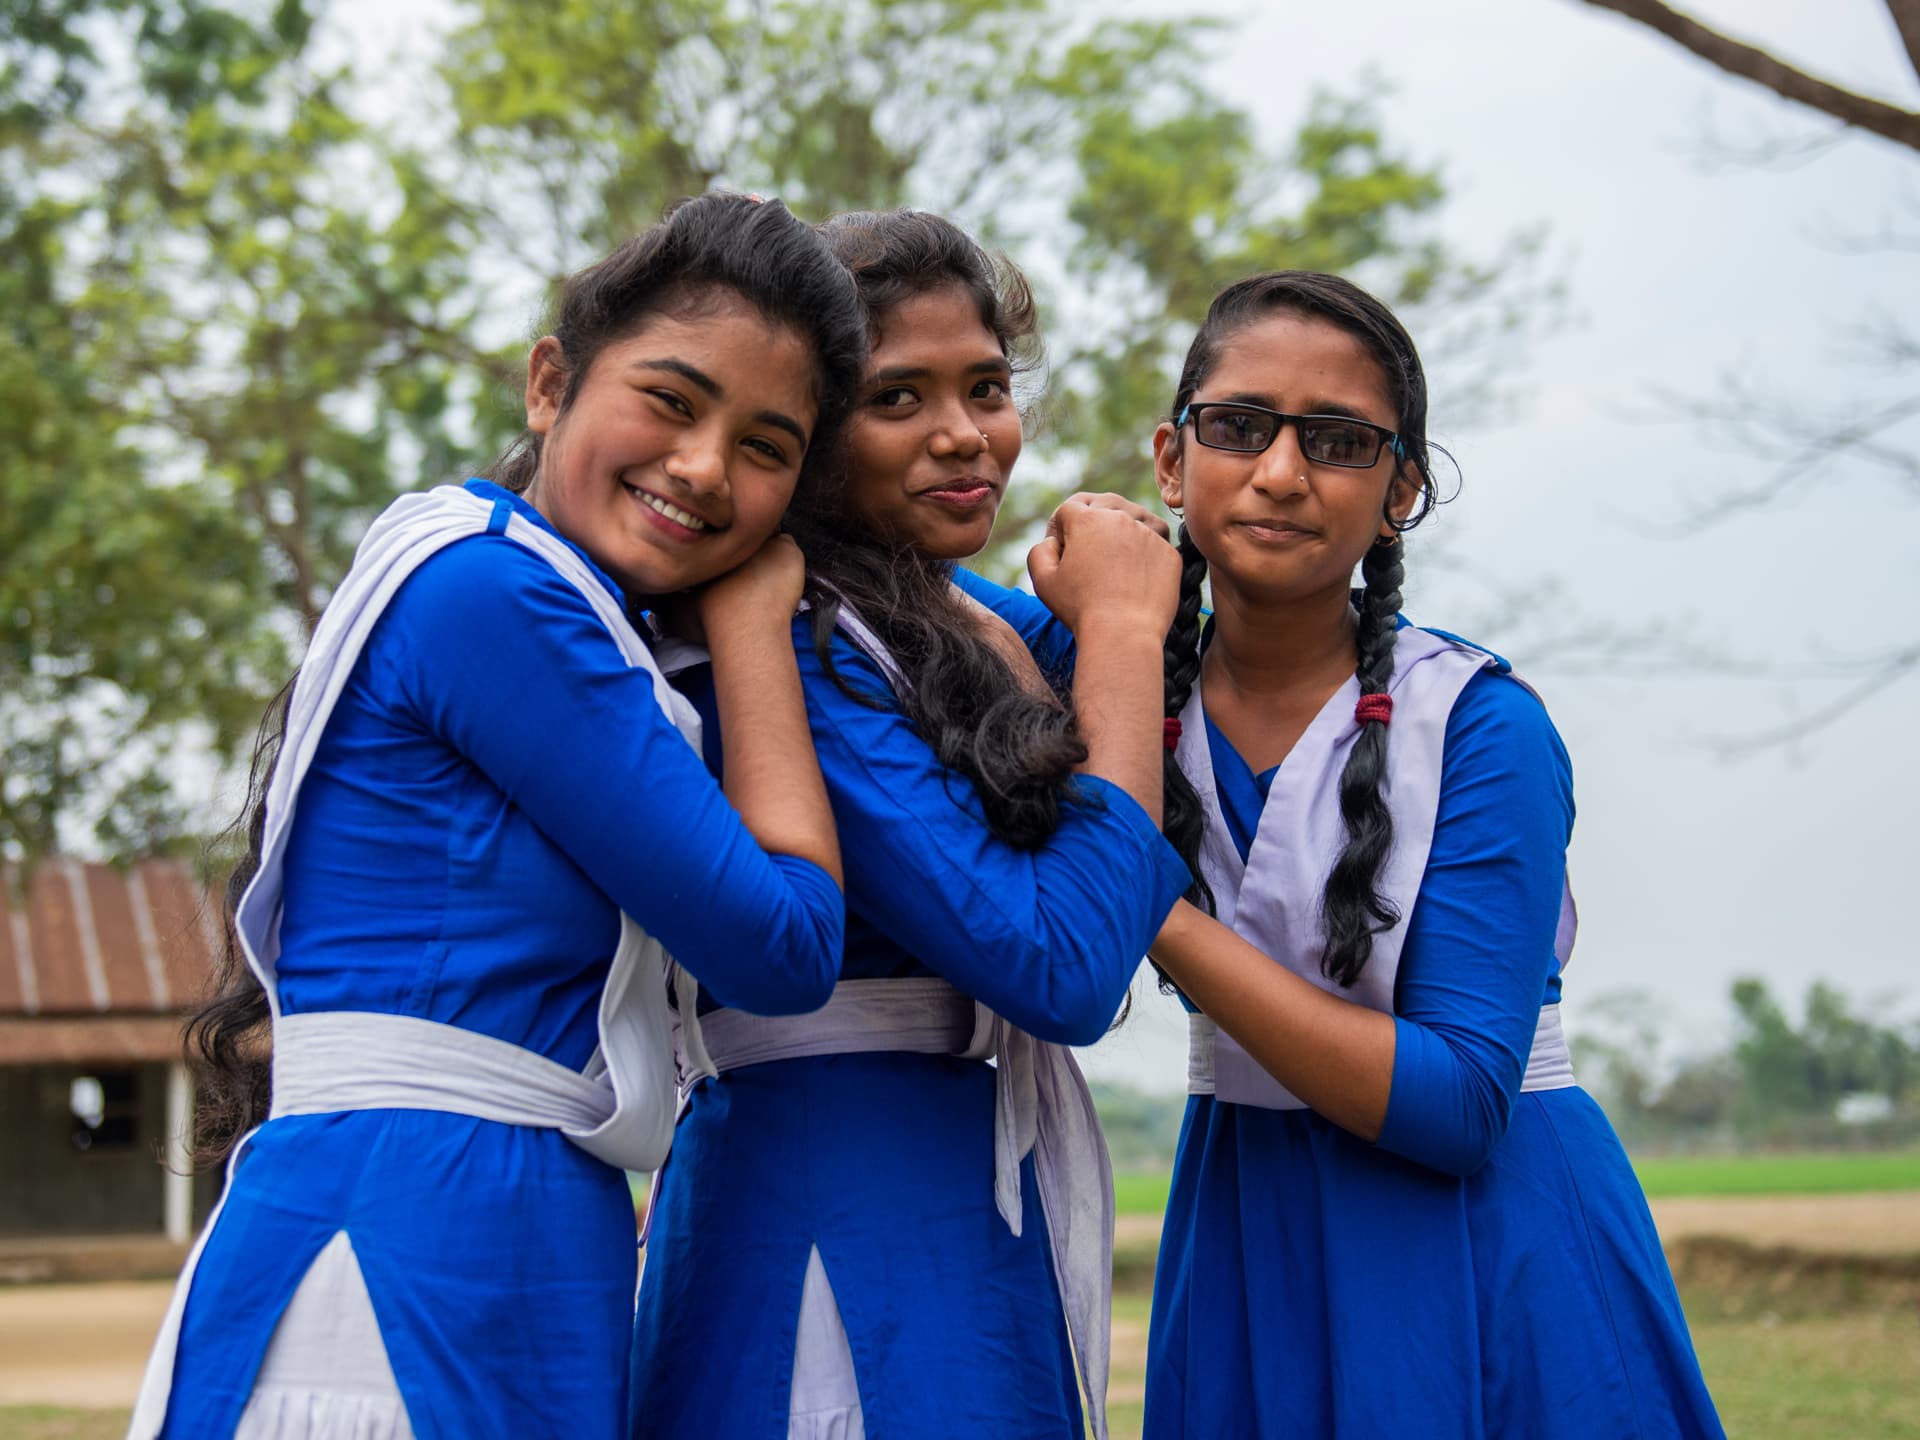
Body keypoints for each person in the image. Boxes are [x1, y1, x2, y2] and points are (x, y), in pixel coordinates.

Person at [129, 193, 867, 1440]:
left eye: (766, 446)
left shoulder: (557, 608)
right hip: (416, 1231)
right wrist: (754, 629)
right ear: (549, 383)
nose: (703, 467)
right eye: (673, 401)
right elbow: (785, 944)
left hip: (511, 1226)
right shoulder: (490, 594)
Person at [628, 210, 1192, 1440]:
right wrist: (1127, 631)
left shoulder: (952, 613)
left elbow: (1166, 724)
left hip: (953, 1176)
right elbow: (1063, 963)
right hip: (836, 1185)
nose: (964, 436)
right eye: (899, 399)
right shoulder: (792, 643)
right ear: (812, 434)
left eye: (986, 386)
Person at [1132, 271, 1725, 1438]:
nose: (1281, 472)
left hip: (1490, 1245)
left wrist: (1147, 903)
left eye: (1341, 442)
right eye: (1240, 427)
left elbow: (1458, 1103)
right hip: (1251, 1224)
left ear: (1401, 489)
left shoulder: (1482, 727)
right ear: (1170, 459)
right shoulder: (1120, 692)